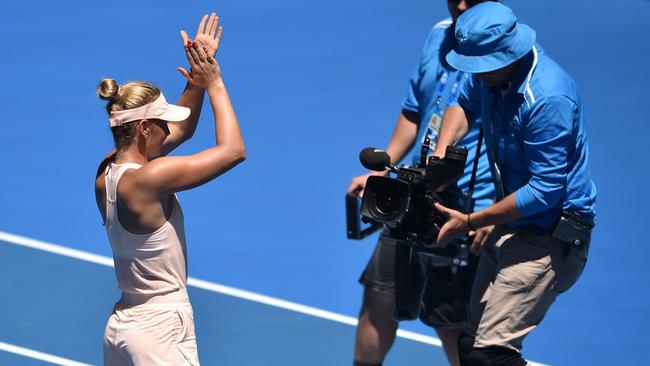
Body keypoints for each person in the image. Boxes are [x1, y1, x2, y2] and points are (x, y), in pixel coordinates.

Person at [430, 3, 597, 365]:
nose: (478, 74)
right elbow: (462, 105)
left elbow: (545, 190)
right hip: (511, 223)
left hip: (548, 233)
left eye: (482, 66)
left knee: (490, 357)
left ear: (508, 53)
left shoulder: (548, 98)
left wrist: (474, 220)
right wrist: (441, 157)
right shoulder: (494, 71)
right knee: (470, 347)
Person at [348, 2, 497, 365]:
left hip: (464, 209)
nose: (461, 4)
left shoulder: (504, 56)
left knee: (453, 324)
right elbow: (414, 111)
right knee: (379, 297)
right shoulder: (438, 33)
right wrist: (386, 167)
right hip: (412, 193)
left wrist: (493, 214)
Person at [94, 13, 245, 365]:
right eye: (162, 122)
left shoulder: (105, 173)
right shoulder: (150, 179)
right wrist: (215, 83)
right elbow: (233, 150)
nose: (170, 128)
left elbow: (183, 129)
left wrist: (197, 77)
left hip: (122, 328)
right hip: (160, 331)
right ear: (145, 128)